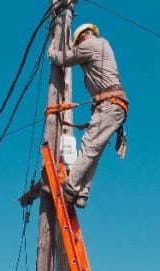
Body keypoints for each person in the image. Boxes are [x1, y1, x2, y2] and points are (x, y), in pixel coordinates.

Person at [48, 23, 128, 208]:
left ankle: (70, 187)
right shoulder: (104, 44)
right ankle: (82, 194)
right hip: (114, 105)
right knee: (95, 151)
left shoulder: (90, 45)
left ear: (82, 37)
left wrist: (52, 50)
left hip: (109, 105)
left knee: (89, 147)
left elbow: (64, 59)